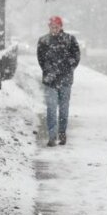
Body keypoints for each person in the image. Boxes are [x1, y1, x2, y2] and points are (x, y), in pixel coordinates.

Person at [37, 16, 80, 147]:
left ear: (61, 27)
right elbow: (41, 59)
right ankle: (52, 136)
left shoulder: (70, 40)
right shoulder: (43, 41)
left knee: (63, 108)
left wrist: (67, 68)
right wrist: (49, 70)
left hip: (65, 80)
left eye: (56, 26)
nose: (54, 29)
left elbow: (76, 56)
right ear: (49, 27)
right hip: (50, 81)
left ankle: (62, 132)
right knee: (51, 108)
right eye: (52, 27)